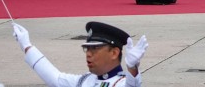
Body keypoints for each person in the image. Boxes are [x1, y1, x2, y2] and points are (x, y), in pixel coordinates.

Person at [13, 20, 148, 87]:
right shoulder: (85, 80)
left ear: (114, 53)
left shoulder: (121, 83)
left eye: (94, 49)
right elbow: (55, 78)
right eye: (87, 49)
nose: (88, 54)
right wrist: (26, 45)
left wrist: (132, 68)